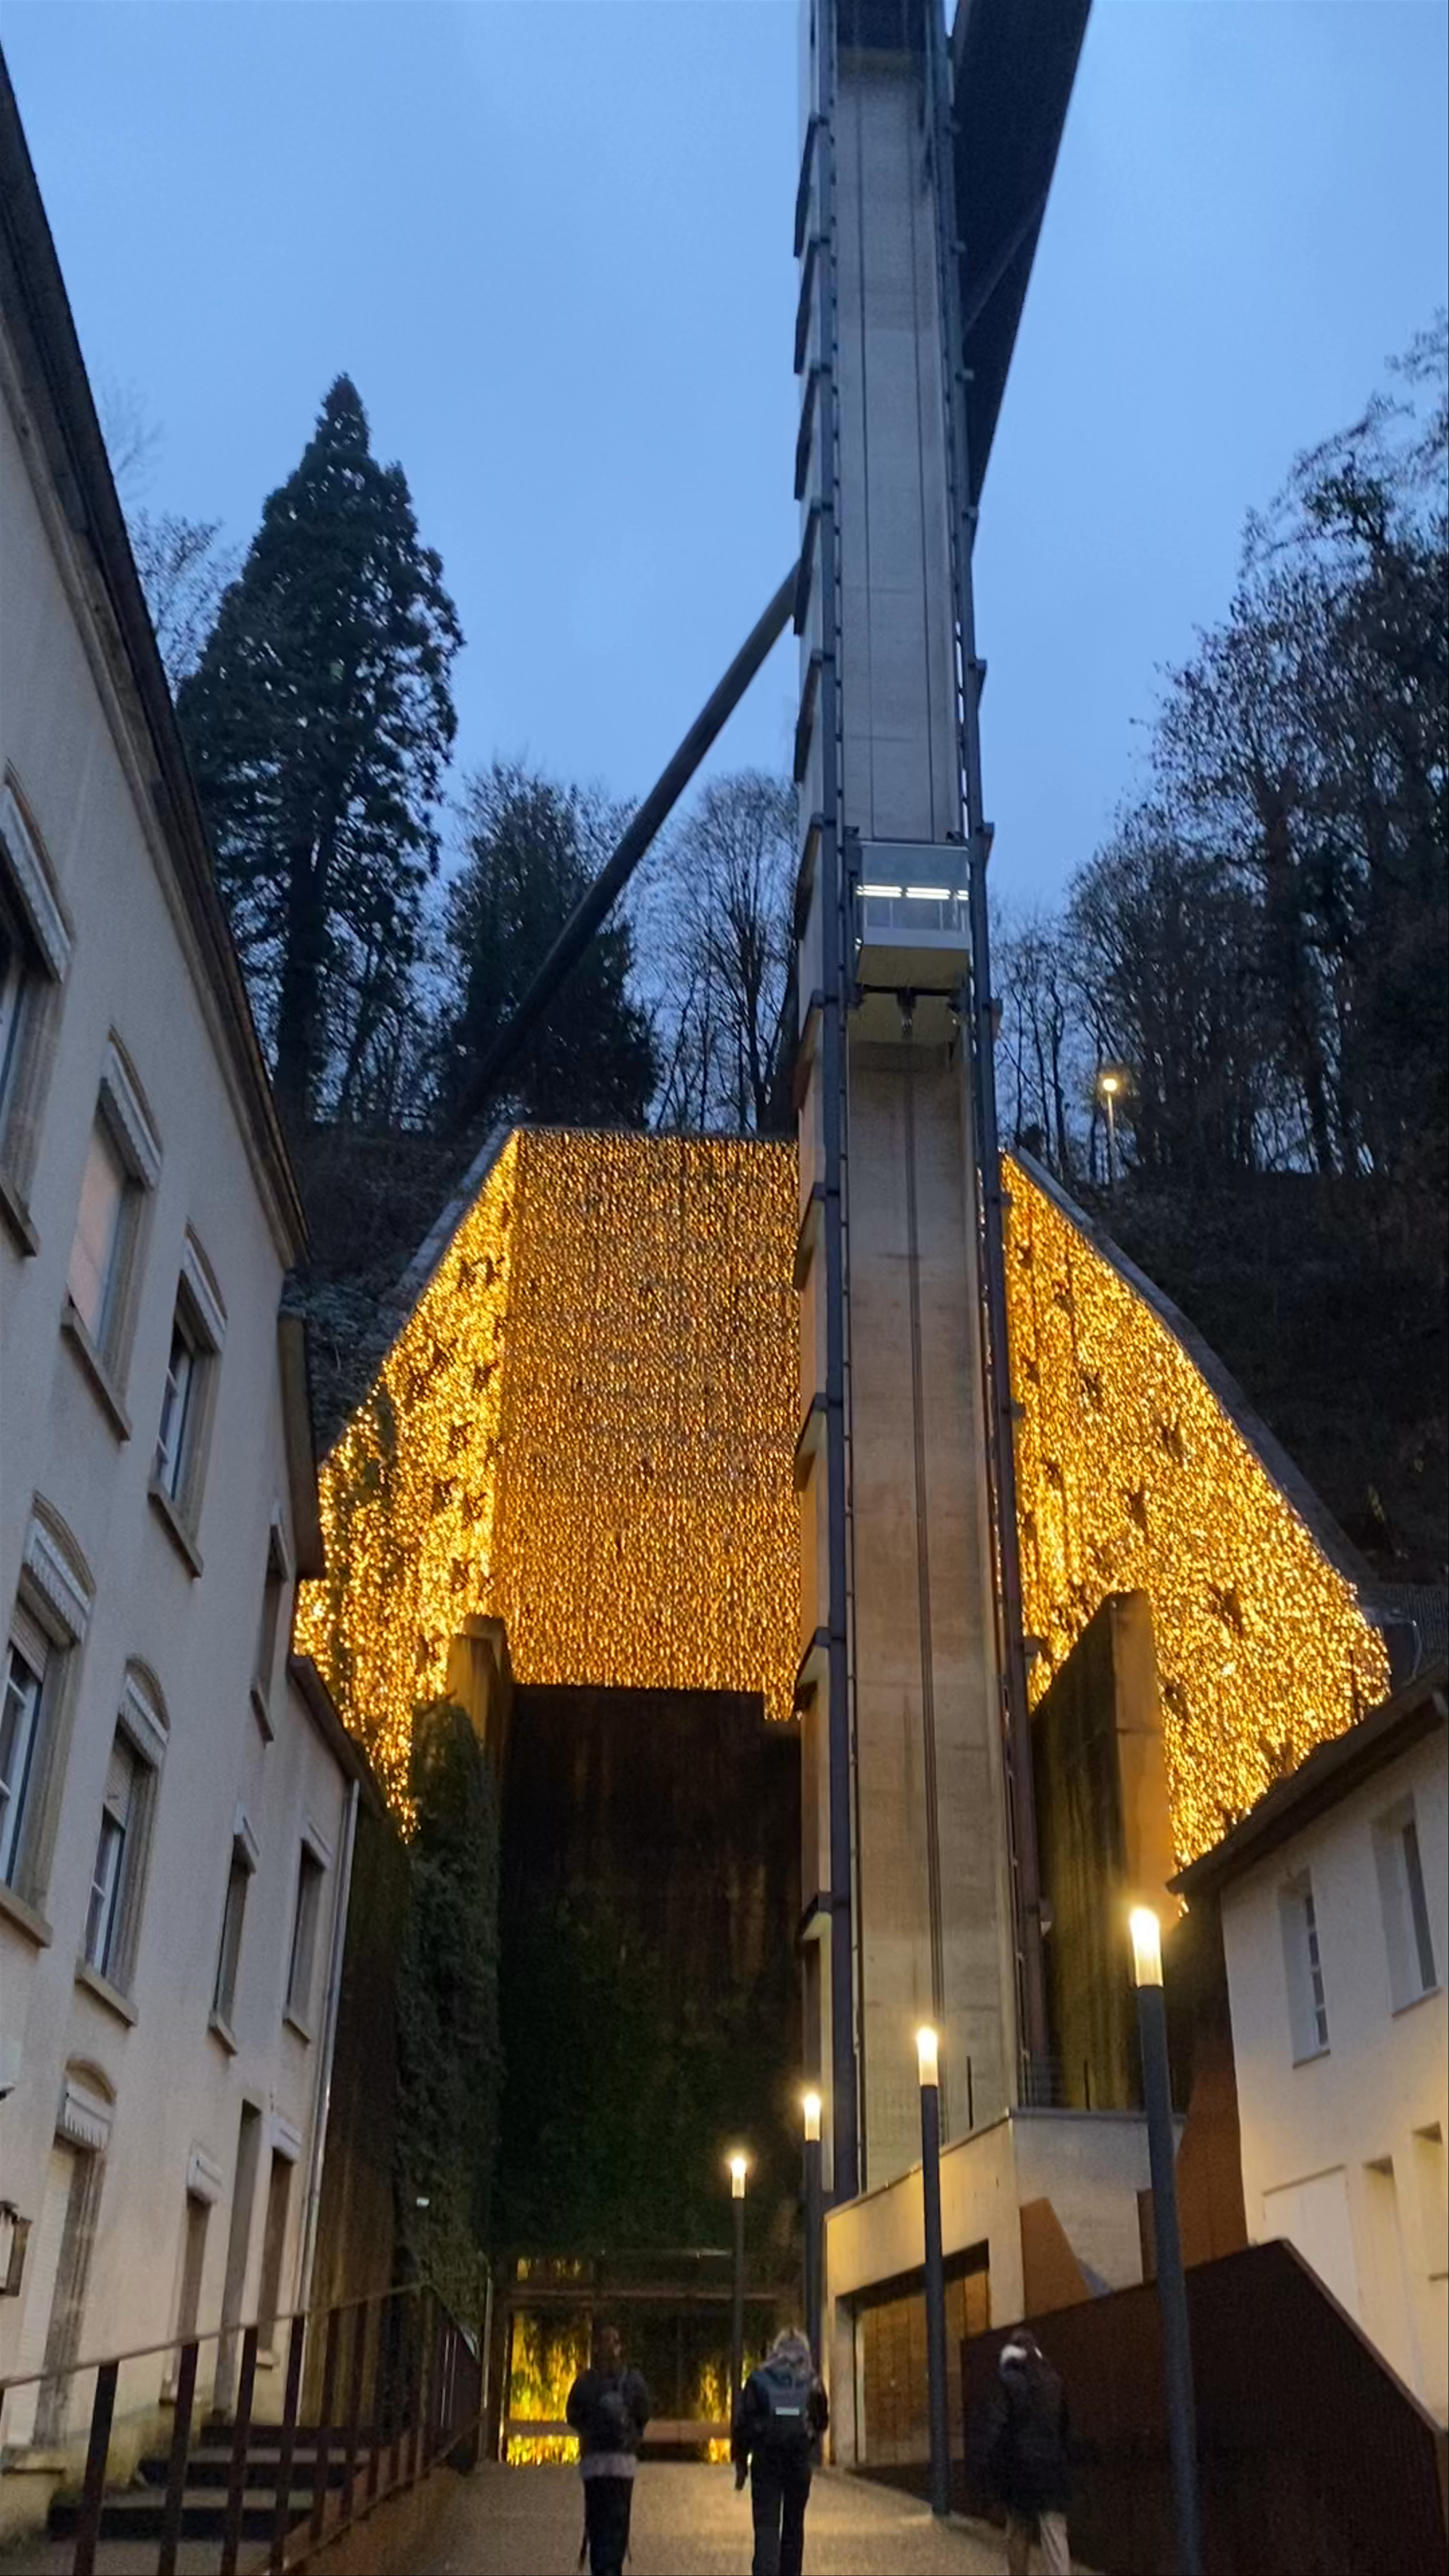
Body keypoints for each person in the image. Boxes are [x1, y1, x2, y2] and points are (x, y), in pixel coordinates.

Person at [731, 2327, 829, 2576]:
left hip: (766, 2462)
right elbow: (822, 2421)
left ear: (775, 2349)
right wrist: (807, 2439)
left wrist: (741, 2463)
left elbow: (743, 2425)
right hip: (797, 2463)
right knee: (794, 2528)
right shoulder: (812, 2380)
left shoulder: (759, 2378)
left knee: (766, 2528)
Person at [978, 2328, 1071, 2576]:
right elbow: (1064, 2425)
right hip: (1052, 2468)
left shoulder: (1006, 2379)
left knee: (1018, 2531)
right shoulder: (1054, 2380)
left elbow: (996, 2427)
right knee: (1055, 2532)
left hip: (1019, 2469)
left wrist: (990, 2467)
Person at [565, 2322, 652, 2576]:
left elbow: (572, 2415)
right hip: (623, 2464)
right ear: (619, 2347)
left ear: (595, 2348)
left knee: (597, 2521)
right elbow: (645, 2413)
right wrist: (633, 2433)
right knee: (618, 2521)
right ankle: (612, 2569)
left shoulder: (585, 2382)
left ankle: (600, 2568)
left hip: (594, 2464)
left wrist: (590, 2430)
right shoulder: (633, 2381)